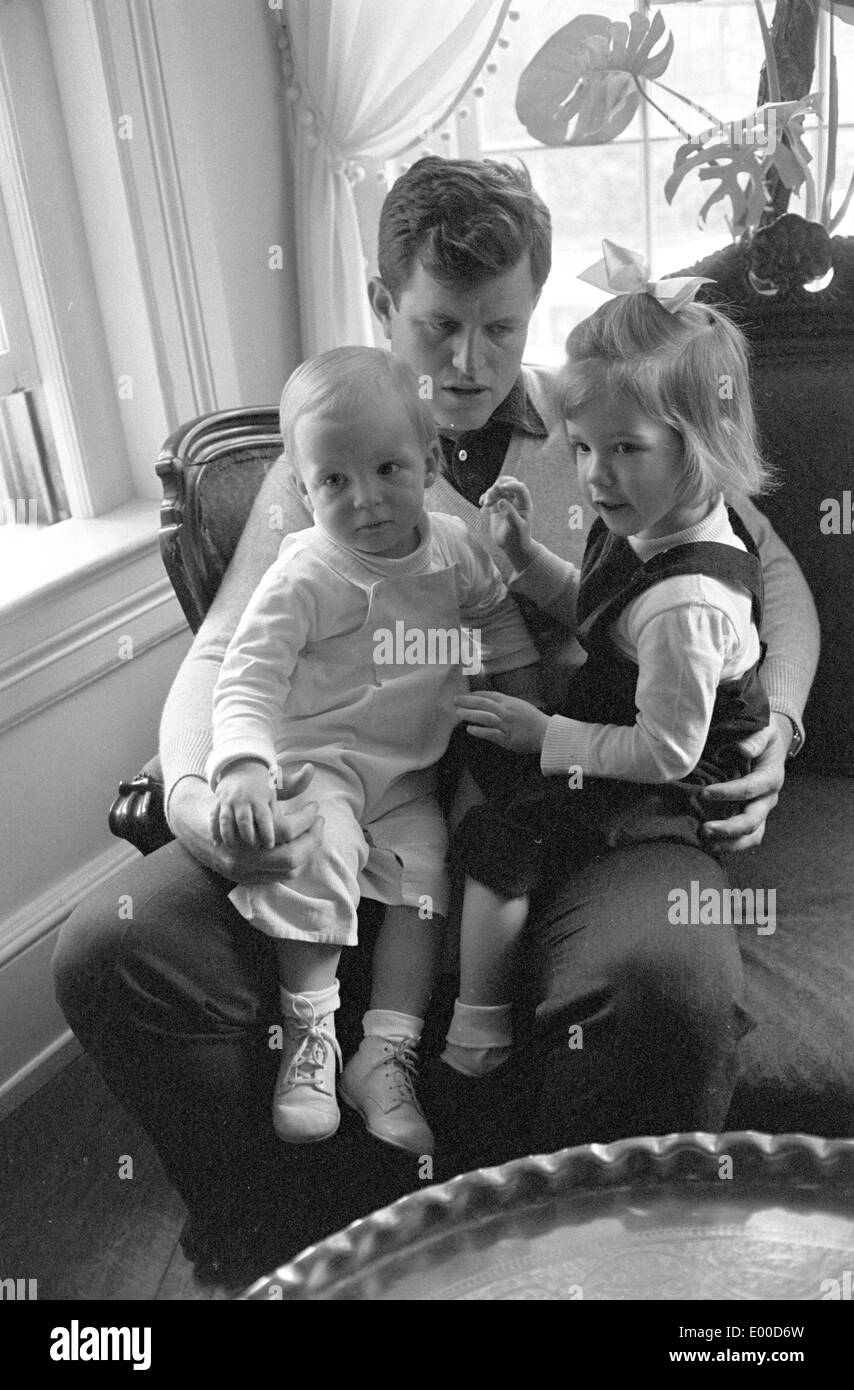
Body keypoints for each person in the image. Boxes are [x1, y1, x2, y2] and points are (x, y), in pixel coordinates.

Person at [53, 158, 819, 1282]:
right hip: (357, 791)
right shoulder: (324, 460)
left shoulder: (603, 421)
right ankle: (291, 1259)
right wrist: (193, 796)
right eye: (438, 326)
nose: (469, 364)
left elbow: (774, 577)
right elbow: (225, 648)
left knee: (668, 983)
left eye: (500, 330)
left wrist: (779, 728)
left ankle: (584, 1277)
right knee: (114, 942)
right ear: (380, 304)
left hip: (592, 799)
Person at [441, 270, 774, 1081]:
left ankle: (477, 1029)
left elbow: (666, 754)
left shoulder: (688, 602)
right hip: (630, 727)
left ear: (701, 452)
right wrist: (523, 559)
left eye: (625, 449)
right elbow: (594, 605)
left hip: (679, 783)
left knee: (506, 831)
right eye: (584, 447)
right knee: (495, 774)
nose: (593, 476)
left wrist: (547, 735)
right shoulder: (649, 522)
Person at [207, 345, 538, 1154]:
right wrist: (243, 765)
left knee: (424, 885)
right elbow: (246, 678)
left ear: (428, 463)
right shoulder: (305, 573)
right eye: (333, 482)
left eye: (388, 469)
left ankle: (384, 1054)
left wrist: (523, 691)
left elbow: (495, 615)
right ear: (304, 486)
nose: (364, 500)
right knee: (319, 856)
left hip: (408, 778)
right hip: (313, 764)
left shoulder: (456, 547)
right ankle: (311, 1038)